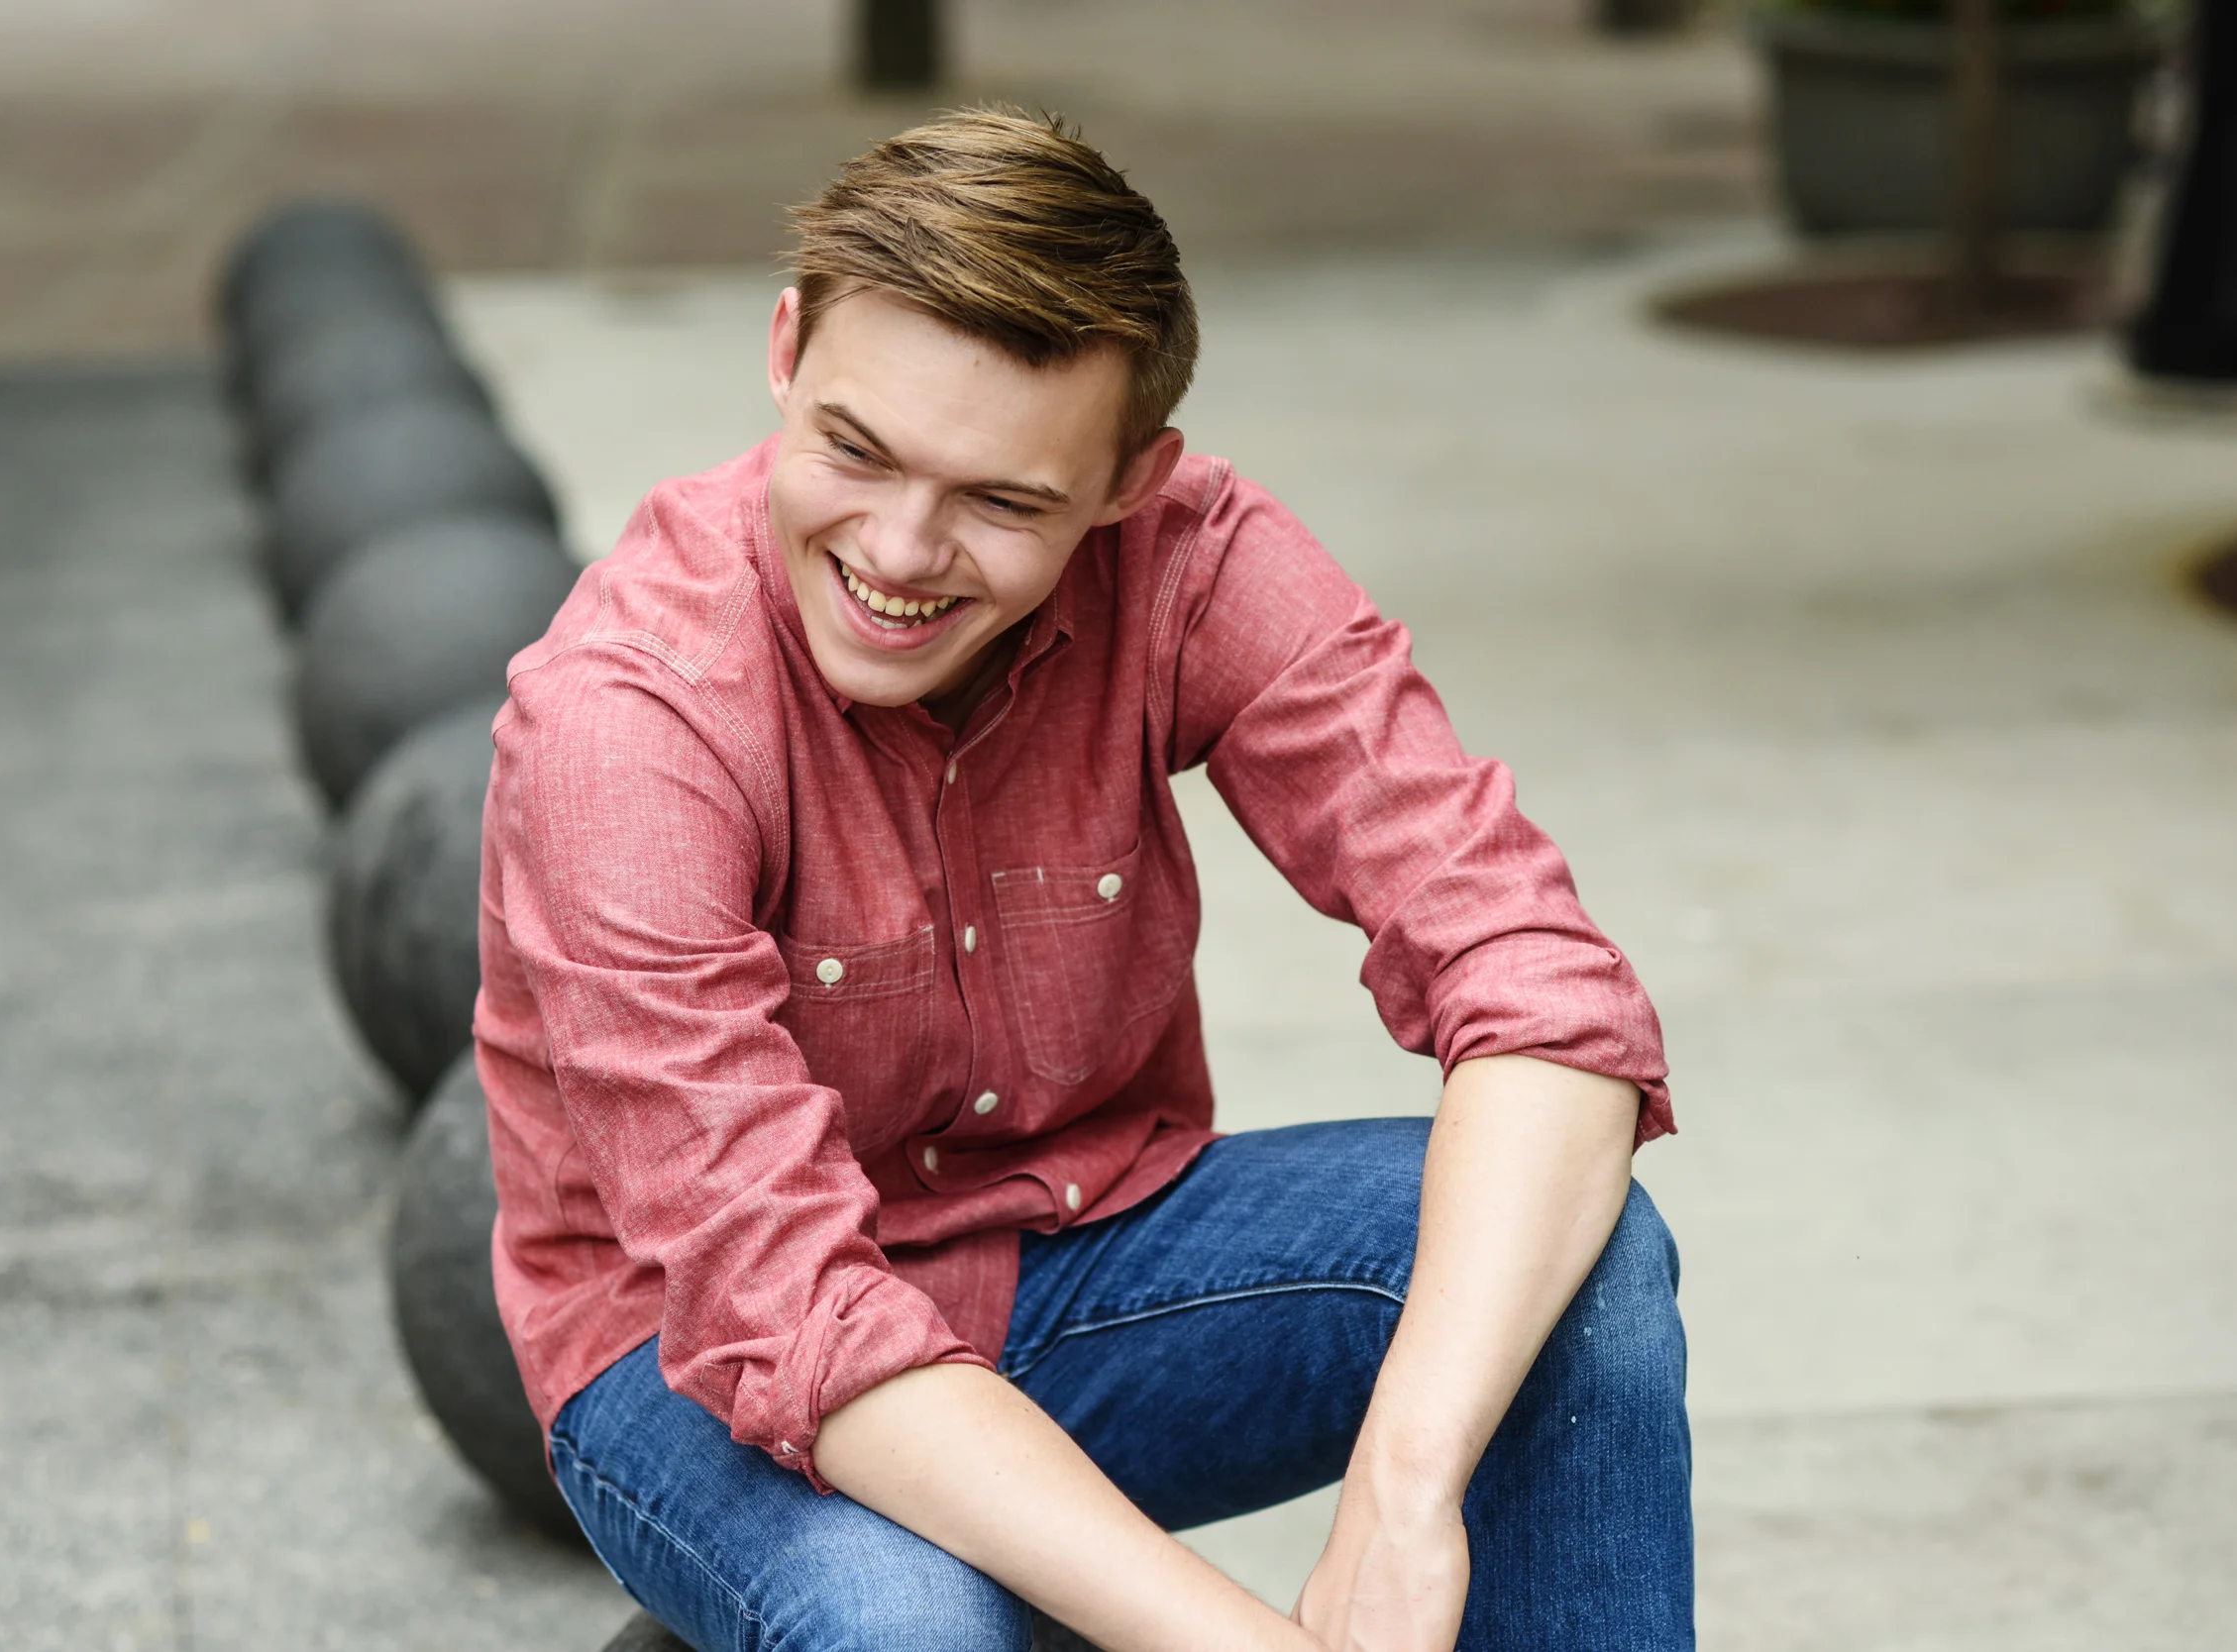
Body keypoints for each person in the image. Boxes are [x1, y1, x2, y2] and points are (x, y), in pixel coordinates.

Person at [475, 107, 1692, 1652]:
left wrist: (1405, 1493)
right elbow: (784, 1306)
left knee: (1582, 1272)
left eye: (1004, 501)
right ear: (785, 350)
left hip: (1084, 1266)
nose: (898, 551)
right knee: (911, 1626)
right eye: (856, 450)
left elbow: (1539, 985)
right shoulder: (629, 722)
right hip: (692, 1358)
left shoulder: (1190, 559)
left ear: (1129, 478)